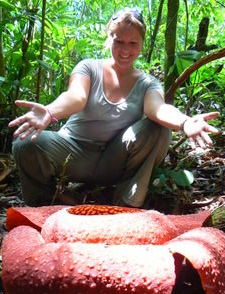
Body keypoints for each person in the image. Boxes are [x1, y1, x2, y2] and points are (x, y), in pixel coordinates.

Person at [9, 8, 219, 208]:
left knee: (158, 127)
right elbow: (75, 97)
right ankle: (45, 206)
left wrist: (185, 122)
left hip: (114, 160)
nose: (125, 50)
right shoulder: (89, 67)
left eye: (132, 43)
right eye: (119, 41)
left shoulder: (148, 83)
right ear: (109, 38)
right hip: (73, 152)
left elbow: (158, 109)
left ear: (141, 45)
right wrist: (48, 111)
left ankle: (126, 204)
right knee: (25, 143)